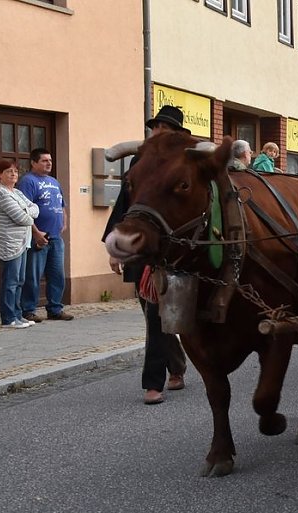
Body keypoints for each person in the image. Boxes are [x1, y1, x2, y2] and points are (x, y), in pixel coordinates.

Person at [103, 105, 189, 405]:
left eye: (165, 128)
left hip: (171, 250)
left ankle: (153, 384)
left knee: (157, 316)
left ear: (176, 134)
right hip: (140, 247)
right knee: (154, 316)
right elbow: (124, 204)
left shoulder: (186, 162)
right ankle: (176, 365)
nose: (158, 132)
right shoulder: (139, 161)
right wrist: (114, 246)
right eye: (156, 127)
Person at [18, 148, 72, 322]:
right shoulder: (28, 181)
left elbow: (62, 205)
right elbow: (24, 211)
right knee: (33, 276)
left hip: (56, 237)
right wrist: (36, 233)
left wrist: (64, 221)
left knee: (57, 275)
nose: (49, 163)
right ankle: (28, 310)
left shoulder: (54, 181)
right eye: (44, 160)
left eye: (50, 160)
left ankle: (55, 309)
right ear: (33, 163)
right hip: (38, 237)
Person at [0, 160, 39, 328]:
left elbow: (36, 208)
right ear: (0, 174)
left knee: (20, 280)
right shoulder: (1, 192)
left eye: (15, 171)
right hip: (9, 242)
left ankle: (18, 315)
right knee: (10, 282)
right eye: (8, 171)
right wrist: (28, 214)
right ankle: (8, 318)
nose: (13, 174)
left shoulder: (17, 192)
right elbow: (21, 218)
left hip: (23, 242)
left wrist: (27, 212)